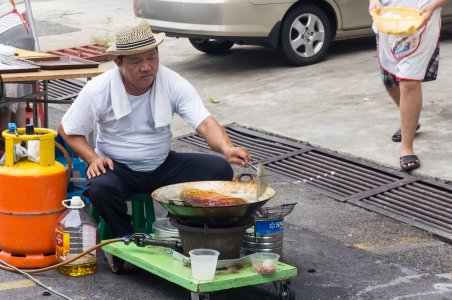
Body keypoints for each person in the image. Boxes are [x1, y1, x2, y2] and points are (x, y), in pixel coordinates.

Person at [57, 20, 251, 238]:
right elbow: (68, 129)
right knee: (101, 188)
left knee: (219, 169)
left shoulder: (171, 81)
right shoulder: (98, 89)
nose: (146, 67)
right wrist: (93, 159)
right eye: (136, 61)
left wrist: (227, 148)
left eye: (151, 57)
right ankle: (126, 239)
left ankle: (180, 227)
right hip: (118, 168)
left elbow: (204, 122)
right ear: (118, 62)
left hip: (162, 165)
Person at [369, 0, 448, 172]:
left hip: (422, 19)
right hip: (388, 19)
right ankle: (411, 121)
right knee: (389, 80)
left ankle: (406, 147)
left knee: (409, 81)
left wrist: (435, 5)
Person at [0, 0, 34, 156]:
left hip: (7, 38)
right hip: (23, 33)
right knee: (19, 99)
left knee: (6, 99)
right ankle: (20, 147)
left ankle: (6, 150)